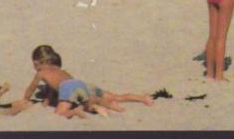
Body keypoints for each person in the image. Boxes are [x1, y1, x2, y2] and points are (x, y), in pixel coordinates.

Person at [20, 45, 154, 119]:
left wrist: (25, 99)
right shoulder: (60, 70)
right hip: (81, 84)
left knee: (60, 113)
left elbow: (31, 89)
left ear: (36, 63)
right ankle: (141, 98)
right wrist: (47, 100)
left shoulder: (40, 73)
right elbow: (56, 87)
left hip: (69, 88)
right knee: (116, 96)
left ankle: (79, 110)